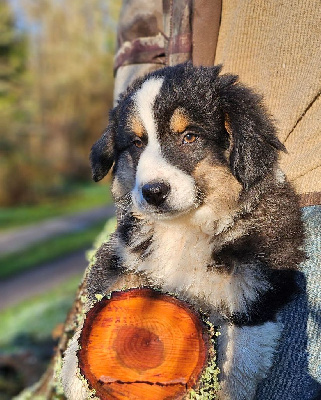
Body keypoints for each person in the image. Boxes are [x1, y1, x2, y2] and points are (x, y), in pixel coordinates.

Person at [113, 1, 321, 399]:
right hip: (194, 218)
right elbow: (143, 31)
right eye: (140, 143)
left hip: (302, 187)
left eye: (187, 138)